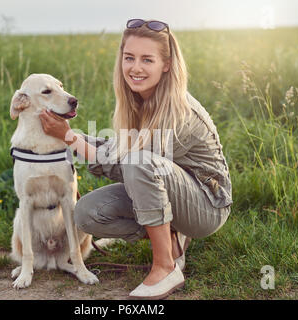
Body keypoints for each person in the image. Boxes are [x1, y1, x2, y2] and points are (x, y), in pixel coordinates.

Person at [39, 19, 232, 299]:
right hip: (165, 188)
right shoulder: (138, 99)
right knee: (86, 212)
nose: (135, 68)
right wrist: (67, 135)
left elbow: (129, 164)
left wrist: (71, 138)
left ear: (166, 64)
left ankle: (165, 266)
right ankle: (172, 238)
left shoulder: (179, 110)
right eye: (129, 58)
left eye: (147, 59)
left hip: (206, 206)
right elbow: (118, 150)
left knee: (139, 163)